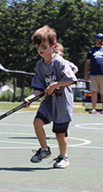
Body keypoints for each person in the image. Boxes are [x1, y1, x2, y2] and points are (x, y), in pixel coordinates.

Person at [24, 25, 77, 169]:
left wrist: (55, 85)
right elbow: (38, 88)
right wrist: (31, 97)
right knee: (37, 122)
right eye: (37, 47)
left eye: (43, 46)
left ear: (53, 45)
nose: (40, 50)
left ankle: (63, 157)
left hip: (62, 102)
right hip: (48, 101)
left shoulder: (60, 62)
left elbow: (72, 78)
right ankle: (45, 149)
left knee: (60, 135)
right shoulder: (39, 65)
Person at [84, 33, 103, 114]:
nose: (102, 40)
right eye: (100, 38)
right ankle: (94, 108)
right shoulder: (91, 50)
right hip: (93, 74)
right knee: (94, 92)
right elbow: (88, 63)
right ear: (96, 39)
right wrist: (86, 73)